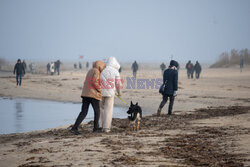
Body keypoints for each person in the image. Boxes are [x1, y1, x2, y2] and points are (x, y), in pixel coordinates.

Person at [70, 60, 106, 135]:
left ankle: (74, 128)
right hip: (93, 94)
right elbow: (94, 81)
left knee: (83, 112)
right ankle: (95, 128)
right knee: (97, 111)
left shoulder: (90, 70)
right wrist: (100, 89)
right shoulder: (96, 71)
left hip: (85, 94)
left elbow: (87, 81)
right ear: (100, 66)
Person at [99, 57, 122, 133]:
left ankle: (100, 125)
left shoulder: (103, 71)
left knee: (101, 109)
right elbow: (118, 84)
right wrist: (119, 93)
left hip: (101, 93)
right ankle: (106, 128)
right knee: (108, 110)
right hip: (110, 93)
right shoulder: (115, 72)